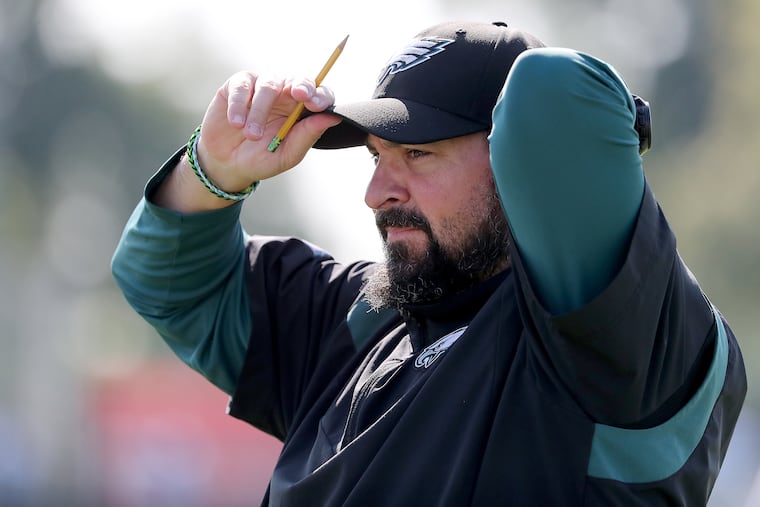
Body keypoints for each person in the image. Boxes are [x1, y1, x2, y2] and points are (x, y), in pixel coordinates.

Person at [112, 20, 746, 506]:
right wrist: (214, 169)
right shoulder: (362, 321)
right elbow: (168, 283)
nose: (377, 191)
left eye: (417, 155)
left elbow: (553, 96)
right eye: (376, 156)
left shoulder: (611, 337)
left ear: (515, 160)